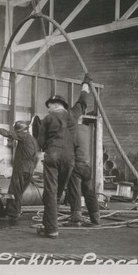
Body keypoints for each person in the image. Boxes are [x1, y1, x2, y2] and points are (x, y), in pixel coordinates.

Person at [36, 74, 91, 238]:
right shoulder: (73, 114)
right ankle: (49, 224)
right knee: (58, 193)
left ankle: (51, 229)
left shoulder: (47, 119)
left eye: (49, 105)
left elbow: (40, 142)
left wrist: (47, 149)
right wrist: (85, 84)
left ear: (55, 105)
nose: (48, 108)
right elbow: (82, 102)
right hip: (70, 159)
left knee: (51, 193)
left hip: (53, 156)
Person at [0, 120, 40, 225]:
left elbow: (8, 134)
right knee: (19, 192)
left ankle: (13, 215)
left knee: (14, 192)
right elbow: (37, 157)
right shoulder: (33, 140)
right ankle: (14, 212)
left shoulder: (23, 136)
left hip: (21, 169)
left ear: (19, 130)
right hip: (29, 170)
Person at [65, 116, 100, 226]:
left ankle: (76, 220)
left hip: (76, 166)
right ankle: (96, 219)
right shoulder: (86, 130)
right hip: (87, 166)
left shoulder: (71, 131)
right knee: (90, 193)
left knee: (75, 193)